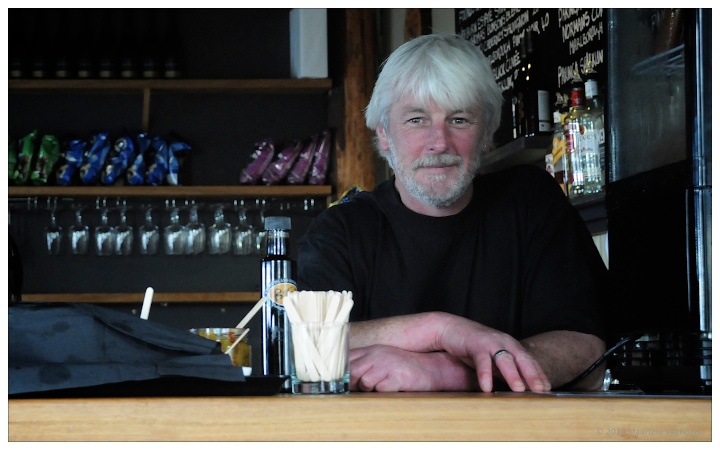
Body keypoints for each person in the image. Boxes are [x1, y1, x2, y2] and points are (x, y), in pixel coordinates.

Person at [296, 33, 608, 393]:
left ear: (487, 133)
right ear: (383, 135)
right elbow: (304, 345)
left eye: (459, 120)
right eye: (416, 120)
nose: (439, 142)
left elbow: (588, 350)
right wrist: (438, 329)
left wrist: (445, 371)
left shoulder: (531, 202)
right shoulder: (342, 230)